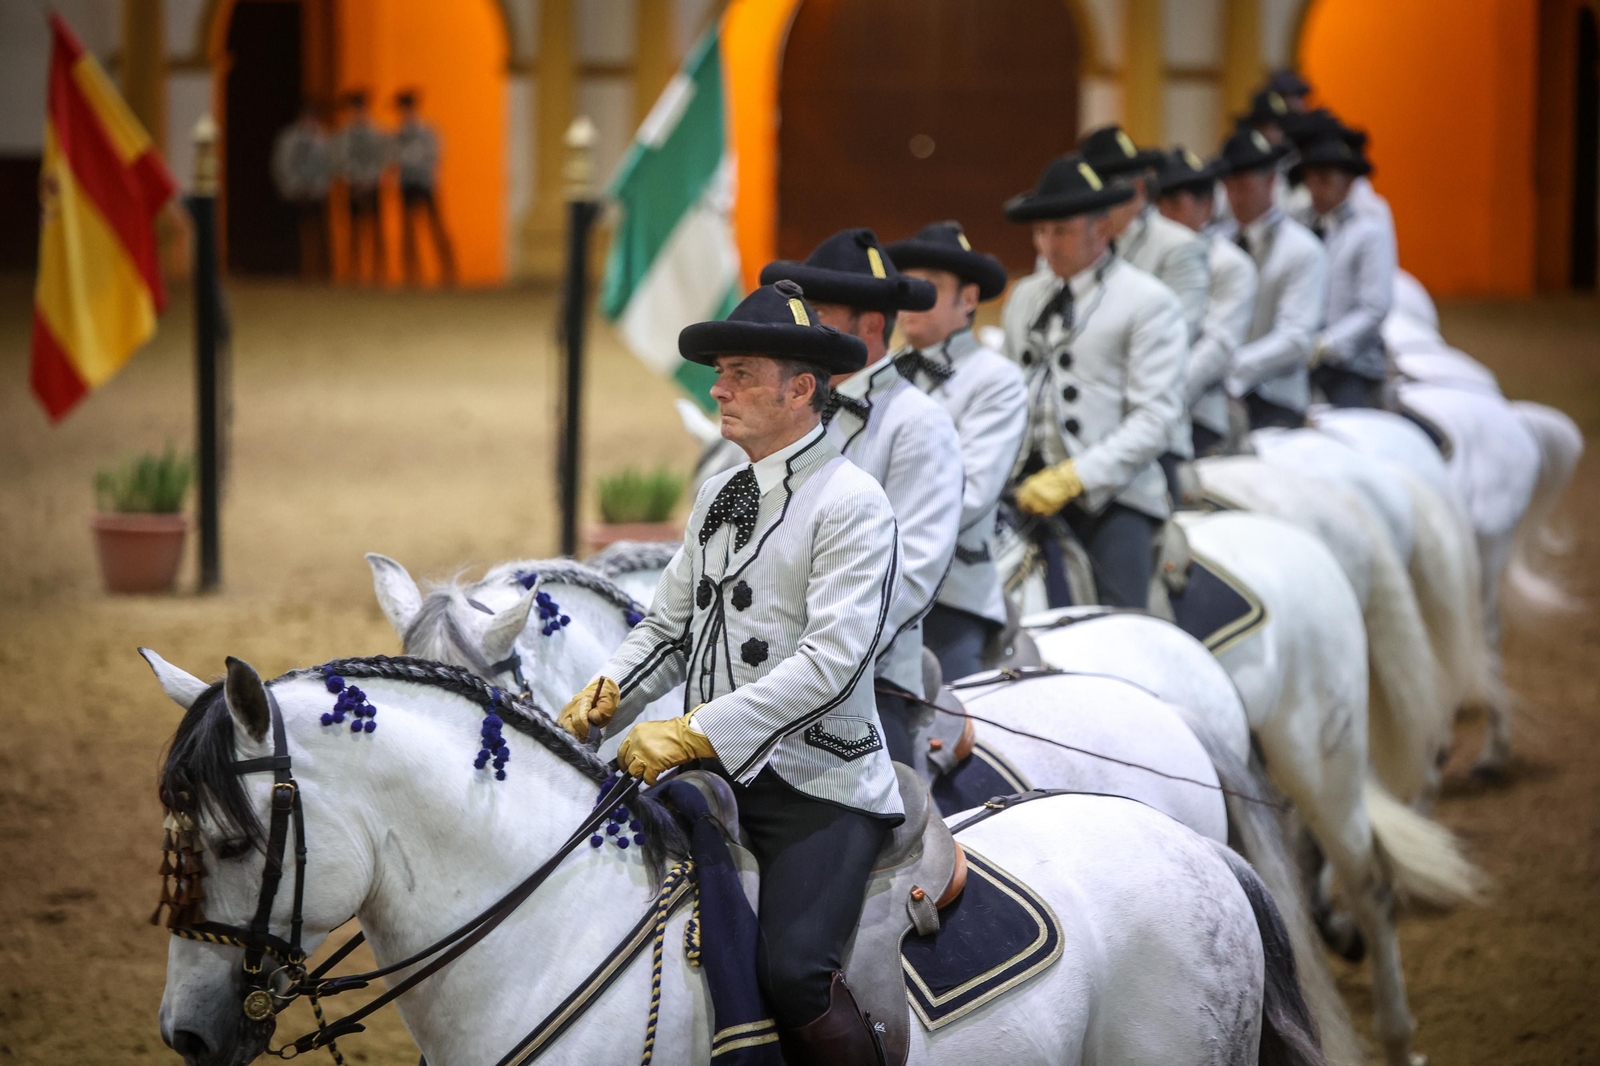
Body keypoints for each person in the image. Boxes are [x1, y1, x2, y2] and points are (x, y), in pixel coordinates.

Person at [556, 280, 902, 1065]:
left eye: (740, 372)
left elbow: (832, 664)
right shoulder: (719, 492)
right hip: (715, 770)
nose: (718, 387)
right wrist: (605, 695)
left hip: (819, 785)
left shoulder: (852, 502)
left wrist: (689, 729)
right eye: (721, 372)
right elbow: (668, 627)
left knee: (792, 974)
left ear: (801, 387)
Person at [760, 230, 964, 762]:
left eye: (820, 313)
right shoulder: (787, 409)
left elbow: (914, 571)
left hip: (865, 683)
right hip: (757, 669)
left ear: (871, 324)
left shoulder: (918, 422)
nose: (804, 328)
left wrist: (813, 654)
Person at [1000, 155, 1186, 609]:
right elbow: (1006, 393)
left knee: (1122, 622)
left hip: (1113, 496)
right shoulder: (1025, 296)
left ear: (1101, 229)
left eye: (1060, 231)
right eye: (1040, 231)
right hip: (1022, 486)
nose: (1047, 245)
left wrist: (1075, 477)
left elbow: (1154, 418)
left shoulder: (1147, 301)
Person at [885, 222, 1027, 682]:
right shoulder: (879, 374)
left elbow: (972, 492)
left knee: (939, 734)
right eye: (906, 285)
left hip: (950, 590)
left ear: (967, 299)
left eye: (928, 287)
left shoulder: (994, 378)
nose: (911, 298)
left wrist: (861, 535)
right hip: (865, 583)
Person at [1079, 124, 1210, 501]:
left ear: (1137, 192)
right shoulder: (1069, 245)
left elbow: (1175, 343)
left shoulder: (1179, 247)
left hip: (1148, 429)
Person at [1215, 130, 1328, 430]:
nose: (1235, 196)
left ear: (1270, 182)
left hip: (1274, 394)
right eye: (1229, 186)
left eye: (1244, 185)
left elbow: (1296, 338)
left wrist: (1229, 369)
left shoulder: (1303, 250)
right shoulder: (1218, 242)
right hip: (1214, 388)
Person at [1154, 148, 1260, 457]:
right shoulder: (1147, 255)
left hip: (1199, 408)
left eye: (1175, 205)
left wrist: (1157, 396)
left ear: (1208, 206)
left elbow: (1218, 346)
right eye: (1159, 206)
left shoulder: (1231, 265)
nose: (1165, 216)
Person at [1294, 134, 1395, 408]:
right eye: (1311, 178)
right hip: (1297, 359)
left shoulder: (1369, 233)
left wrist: (1326, 344)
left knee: (1355, 420)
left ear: (1348, 182)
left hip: (1352, 364)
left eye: (1325, 179)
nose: (1315, 187)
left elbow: (1375, 307)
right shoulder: (1296, 225)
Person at [394, 89, 457, 287]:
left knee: (436, 226)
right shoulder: (399, 133)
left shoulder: (426, 130)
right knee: (408, 230)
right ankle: (412, 273)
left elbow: (435, 155)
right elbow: (394, 158)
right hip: (407, 183)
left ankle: (449, 271)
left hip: (425, 183)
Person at [270, 102, 333, 278]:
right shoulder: (289, 137)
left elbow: (328, 166)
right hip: (295, 192)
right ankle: (295, 269)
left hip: (316, 193)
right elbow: (282, 164)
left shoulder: (323, 137)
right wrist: (294, 186)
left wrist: (317, 187)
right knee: (294, 235)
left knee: (319, 234)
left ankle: (321, 271)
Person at [334, 90, 390, 283]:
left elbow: (381, 158)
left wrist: (370, 179)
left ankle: (379, 272)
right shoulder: (347, 132)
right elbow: (343, 158)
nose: (358, 111)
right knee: (355, 231)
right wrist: (354, 178)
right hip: (354, 185)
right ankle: (354, 272)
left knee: (376, 230)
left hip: (372, 185)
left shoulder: (374, 130)